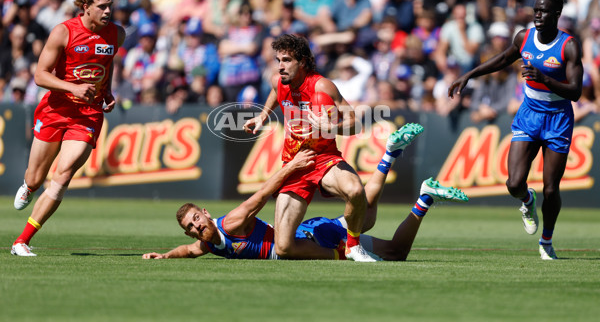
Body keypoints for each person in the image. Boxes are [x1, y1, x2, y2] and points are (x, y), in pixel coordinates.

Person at [142, 125, 469, 261]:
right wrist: (165, 255)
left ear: (205, 212)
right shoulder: (207, 243)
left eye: (197, 219)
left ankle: (408, 177)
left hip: (312, 240)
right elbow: (188, 250)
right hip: (309, 231)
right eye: (192, 227)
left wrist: (292, 166)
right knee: (367, 217)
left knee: (378, 232)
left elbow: (262, 194)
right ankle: (412, 181)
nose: (197, 227)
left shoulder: (230, 224)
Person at [448, 0, 584, 260]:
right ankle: (526, 201)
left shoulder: (569, 46)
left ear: (557, 14)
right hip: (530, 113)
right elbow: (503, 59)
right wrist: (469, 74)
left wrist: (544, 78)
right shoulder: (524, 37)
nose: (537, 14)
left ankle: (546, 241)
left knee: (550, 188)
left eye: (544, 11)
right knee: (513, 183)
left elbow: (576, 92)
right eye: (535, 9)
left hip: (558, 118)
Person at [11, 0, 126, 256]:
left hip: (87, 114)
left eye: (110, 5)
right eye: (102, 6)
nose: (108, 11)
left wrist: (107, 90)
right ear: (85, 7)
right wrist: (73, 87)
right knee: (37, 177)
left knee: (63, 175)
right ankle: (30, 186)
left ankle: (22, 241)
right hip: (56, 110)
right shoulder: (63, 32)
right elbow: (40, 75)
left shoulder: (117, 34)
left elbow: (104, 66)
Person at [241, 34, 378, 262]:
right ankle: (337, 252)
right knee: (283, 248)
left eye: (286, 60)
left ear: (302, 61)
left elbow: (355, 123)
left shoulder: (322, 85)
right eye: (278, 60)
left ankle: (353, 246)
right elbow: (276, 92)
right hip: (294, 165)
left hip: (323, 158)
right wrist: (263, 115)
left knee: (354, 190)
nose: (281, 66)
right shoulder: (278, 80)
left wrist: (330, 127)